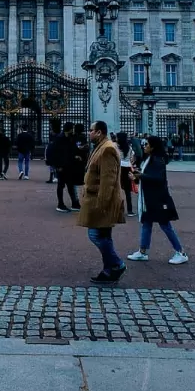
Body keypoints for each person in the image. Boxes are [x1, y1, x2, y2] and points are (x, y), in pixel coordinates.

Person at [127, 135, 188, 265]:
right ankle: (142, 251)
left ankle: (181, 252)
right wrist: (136, 177)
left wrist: (140, 176)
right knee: (146, 223)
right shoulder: (149, 159)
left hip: (159, 198)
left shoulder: (157, 160)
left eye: (147, 144)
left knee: (165, 225)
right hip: (150, 197)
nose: (144, 146)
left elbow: (158, 178)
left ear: (153, 147)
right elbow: (149, 177)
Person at [78, 120, 126, 284]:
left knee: (96, 235)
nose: (89, 133)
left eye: (91, 130)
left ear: (99, 132)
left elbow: (108, 180)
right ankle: (108, 271)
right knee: (103, 236)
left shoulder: (107, 149)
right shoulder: (102, 147)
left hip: (101, 200)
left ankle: (117, 264)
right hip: (96, 198)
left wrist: (102, 205)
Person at [52, 122, 84, 213]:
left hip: (69, 166)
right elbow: (55, 153)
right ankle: (60, 204)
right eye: (72, 128)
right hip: (62, 166)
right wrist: (58, 166)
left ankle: (75, 203)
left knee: (70, 184)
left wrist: (76, 156)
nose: (73, 130)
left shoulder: (70, 138)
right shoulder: (59, 139)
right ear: (69, 129)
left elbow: (72, 150)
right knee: (61, 185)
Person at [116, 132, 136, 217]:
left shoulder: (116, 147)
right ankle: (130, 210)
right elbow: (133, 158)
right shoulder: (129, 148)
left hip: (119, 168)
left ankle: (118, 209)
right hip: (127, 168)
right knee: (127, 191)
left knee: (117, 189)